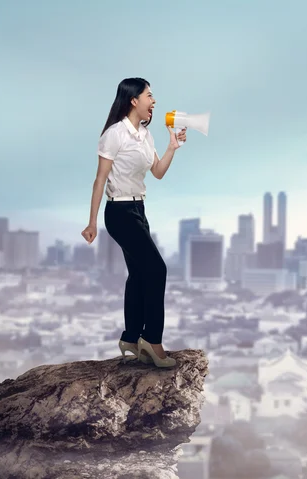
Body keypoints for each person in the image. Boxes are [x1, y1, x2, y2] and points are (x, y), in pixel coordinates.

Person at [81, 77, 186, 368]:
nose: (154, 101)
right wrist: (91, 223)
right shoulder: (114, 135)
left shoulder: (144, 135)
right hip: (119, 213)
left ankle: (130, 337)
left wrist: (172, 147)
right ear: (133, 100)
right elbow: (100, 180)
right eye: (149, 96)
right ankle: (152, 340)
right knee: (157, 269)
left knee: (139, 274)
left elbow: (158, 172)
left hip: (139, 209)